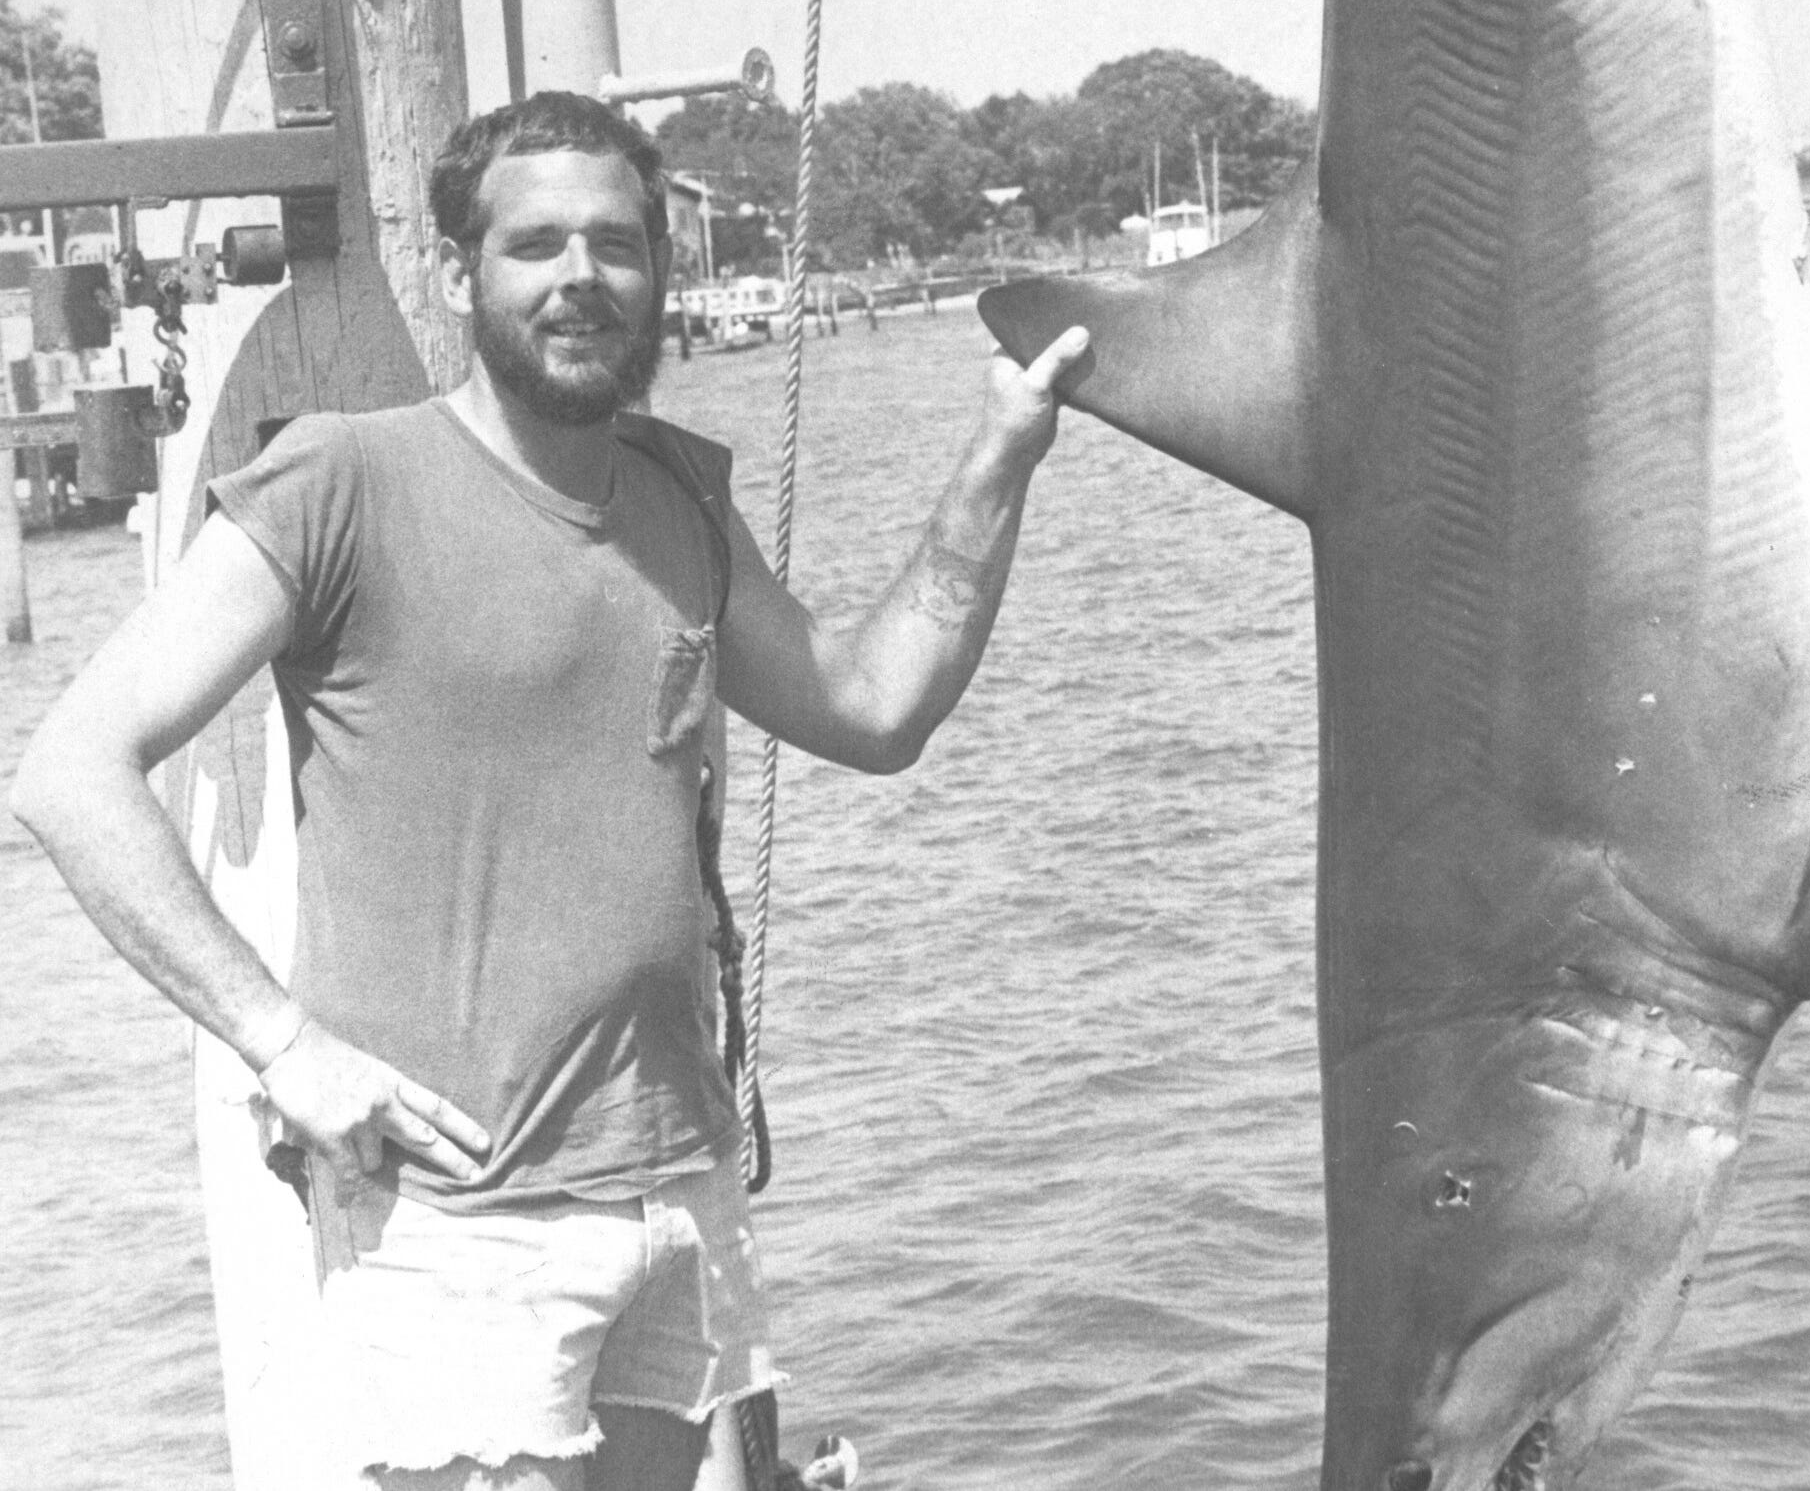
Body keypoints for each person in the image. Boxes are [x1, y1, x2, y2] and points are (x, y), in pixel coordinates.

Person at [10, 92, 1088, 1491]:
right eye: (536, 246)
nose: (581, 277)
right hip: (461, 1218)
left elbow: (872, 708)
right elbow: (69, 771)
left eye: (617, 245)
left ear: (659, 272)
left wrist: (1000, 456)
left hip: (674, 1188)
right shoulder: (342, 484)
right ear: (463, 273)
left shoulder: (675, 494)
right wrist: (281, 1042)